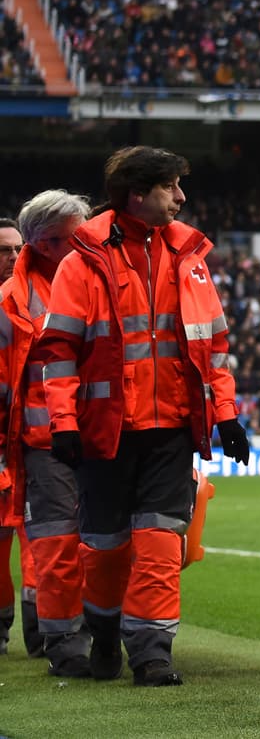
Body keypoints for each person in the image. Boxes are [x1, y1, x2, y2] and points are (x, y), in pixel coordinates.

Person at [39, 146, 251, 686]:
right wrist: (63, 421)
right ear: (138, 193)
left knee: (160, 541)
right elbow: (58, 350)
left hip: (172, 428)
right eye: (171, 187)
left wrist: (226, 413)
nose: (182, 198)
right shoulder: (82, 260)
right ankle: (105, 634)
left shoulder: (191, 258)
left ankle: (153, 652)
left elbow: (214, 346)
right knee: (106, 548)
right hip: (103, 431)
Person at [0, 191, 90, 675]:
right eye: (64, 240)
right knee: (55, 546)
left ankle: (98, 632)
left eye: (80, 236)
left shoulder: (108, 279)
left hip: (107, 437)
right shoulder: (12, 299)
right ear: (41, 242)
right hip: (46, 442)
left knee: (106, 543)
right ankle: (64, 644)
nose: (76, 247)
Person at [0, 215, 39, 659]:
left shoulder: (34, 298)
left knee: (41, 541)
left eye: (16, 248)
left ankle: (41, 633)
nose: (12, 256)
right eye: (3, 250)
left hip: (33, 439)